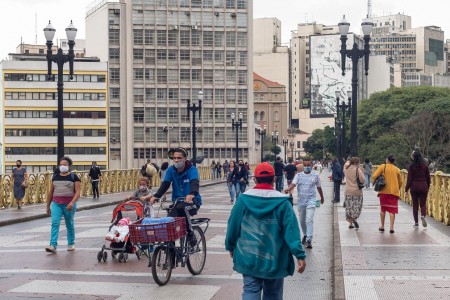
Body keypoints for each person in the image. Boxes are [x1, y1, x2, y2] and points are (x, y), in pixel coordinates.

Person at [225, 162, 306, 299]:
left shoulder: (243, 200)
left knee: (250, 290)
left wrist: (230, 245)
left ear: (254, 179)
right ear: (274, 179)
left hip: (249, 257)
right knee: (273, 294)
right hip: (275, 259)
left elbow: (233, 225)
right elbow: (291, 231)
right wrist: (299, 254)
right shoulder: (283, 202)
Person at [150, 147, 202, 247]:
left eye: (179, 158)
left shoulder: (192, 170)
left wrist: (192, 194)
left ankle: (191, 234)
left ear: (185, 158)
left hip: (193, 202)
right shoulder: (171, 170)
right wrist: (156, 196)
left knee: (182, 208)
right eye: (174, 158)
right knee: (169, 221)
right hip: (177, 202)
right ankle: (171, 251)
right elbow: (165, 184)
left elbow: (194, 183)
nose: (176, 160)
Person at [284, 159, 324, 249]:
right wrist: (288, 189)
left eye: (308, 165)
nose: (306, 167)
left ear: (312, 165)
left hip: (311, 200)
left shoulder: (316, 176)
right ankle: (305, 235)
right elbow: (293, 184)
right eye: (305, 165)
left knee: (309, 220)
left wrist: (322, 197)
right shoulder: (298, 175)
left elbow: (319, 188)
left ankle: (309, 239)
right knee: (302, 220)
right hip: (301, 201)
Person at [45, 156, 81, 253]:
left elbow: (78, 192)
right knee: (55, 223)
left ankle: (71, 243)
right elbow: (51, 192)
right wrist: (48, 206)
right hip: (56, 204)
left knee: (69, 224)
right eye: (60, 165)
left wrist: (72, 203)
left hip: (68, 204)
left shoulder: (74, 177)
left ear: (69, 166)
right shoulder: (55, 176)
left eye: (64, 165)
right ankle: (53, 245)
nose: (62, 166)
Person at [372, 154, 403, 234]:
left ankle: (382, 226)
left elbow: (374, 175)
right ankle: (391, 227)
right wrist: (397, 188)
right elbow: (401, 181)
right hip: (394, 192)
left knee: (383, 209)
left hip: (384, 191)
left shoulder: (383, 166)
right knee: (392, 210)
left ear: (387, 160)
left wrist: (379, 177)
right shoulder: (397, 169)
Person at [405, 150, 431, 228]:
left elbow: (409, 179)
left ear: (414, 157)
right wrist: (427, 186)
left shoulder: (411, 166)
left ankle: (416, 223)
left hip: (414, 186)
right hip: (423, 185)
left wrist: (406, 189)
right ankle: (423, 216)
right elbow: (428, 178)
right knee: (423, 204)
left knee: (415, 205)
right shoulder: (425, 165)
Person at [343, 157, 365, 229]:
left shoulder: (346, 169)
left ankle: (350, 223)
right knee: (356, 206)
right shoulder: (357, 169)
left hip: (348, 191)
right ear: (356, 163)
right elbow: (362, 180)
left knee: (349, 207)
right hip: (356, 192)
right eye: (359, 162)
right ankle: (355, 219)